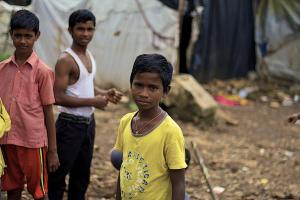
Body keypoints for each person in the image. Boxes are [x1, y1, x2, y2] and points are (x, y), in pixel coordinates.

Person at [48, 9, 122, 200]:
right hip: (69, 124)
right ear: (70, 30)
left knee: (81, 175)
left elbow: (85, 86)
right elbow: (57, 97)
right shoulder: (65, 60)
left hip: (88, 124)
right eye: (80, 29)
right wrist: (93, 101)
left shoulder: (89, 55)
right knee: (58, 174)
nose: (85, 34)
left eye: (90, 29)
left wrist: (104, 94)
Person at [0, 10, 60, 199]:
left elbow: (48, 112)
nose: (23, 41)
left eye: (28, 36)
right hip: (7, 140)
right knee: (12, 188)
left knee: (39, 192)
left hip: (33, 142)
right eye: (18, 35)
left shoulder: (43, 71)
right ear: (11, 35)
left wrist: (52, 151)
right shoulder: (1, 69)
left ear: (37, 36)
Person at [114, 54, 187, 200]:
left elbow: (178, 184)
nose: (144, 93)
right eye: (139, 85)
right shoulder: (126, 122)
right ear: (131, 84)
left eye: (153, 88)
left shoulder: (170, 131)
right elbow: (124, 169)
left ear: (165, 91)